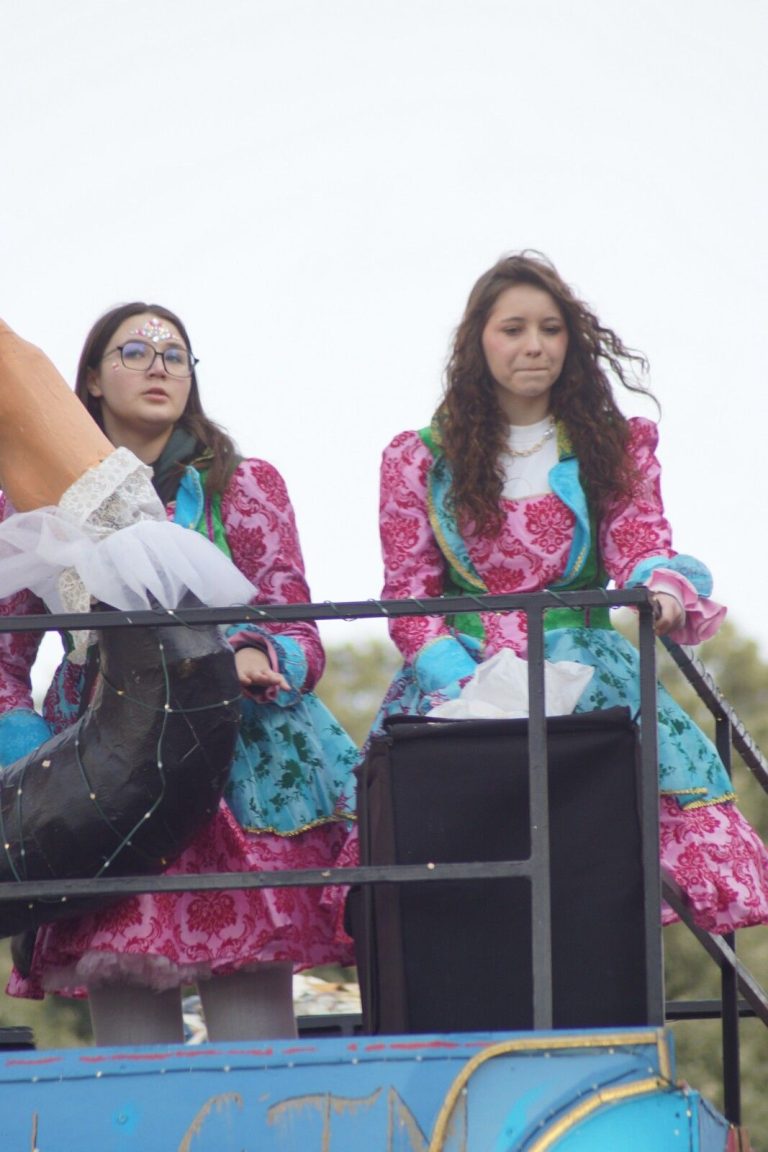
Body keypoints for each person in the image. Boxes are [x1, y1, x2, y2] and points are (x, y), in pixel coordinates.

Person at [367, 250, 768, 934]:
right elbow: (409, 596)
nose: (534, 346)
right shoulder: (418, 456)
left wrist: (660, 589)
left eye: (551, 329)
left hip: (586, 672)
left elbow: (640, 540)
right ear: (478, 341)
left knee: (596, 877)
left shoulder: (614, 442)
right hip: (456, 684)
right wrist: (469, 688)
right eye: (514, 328)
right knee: (467, 887)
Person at [0, 305, 357, 1044]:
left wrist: (264, 653)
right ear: (91, 379)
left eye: (177, 354)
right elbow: (4, 655)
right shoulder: (27, 497)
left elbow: (298, 623)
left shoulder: (244, 484)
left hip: (241, 764)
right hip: (98, 765)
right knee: (131, 1035)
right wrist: (20, 748)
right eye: (135, 350)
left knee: (255, 1028)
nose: (160, 364)